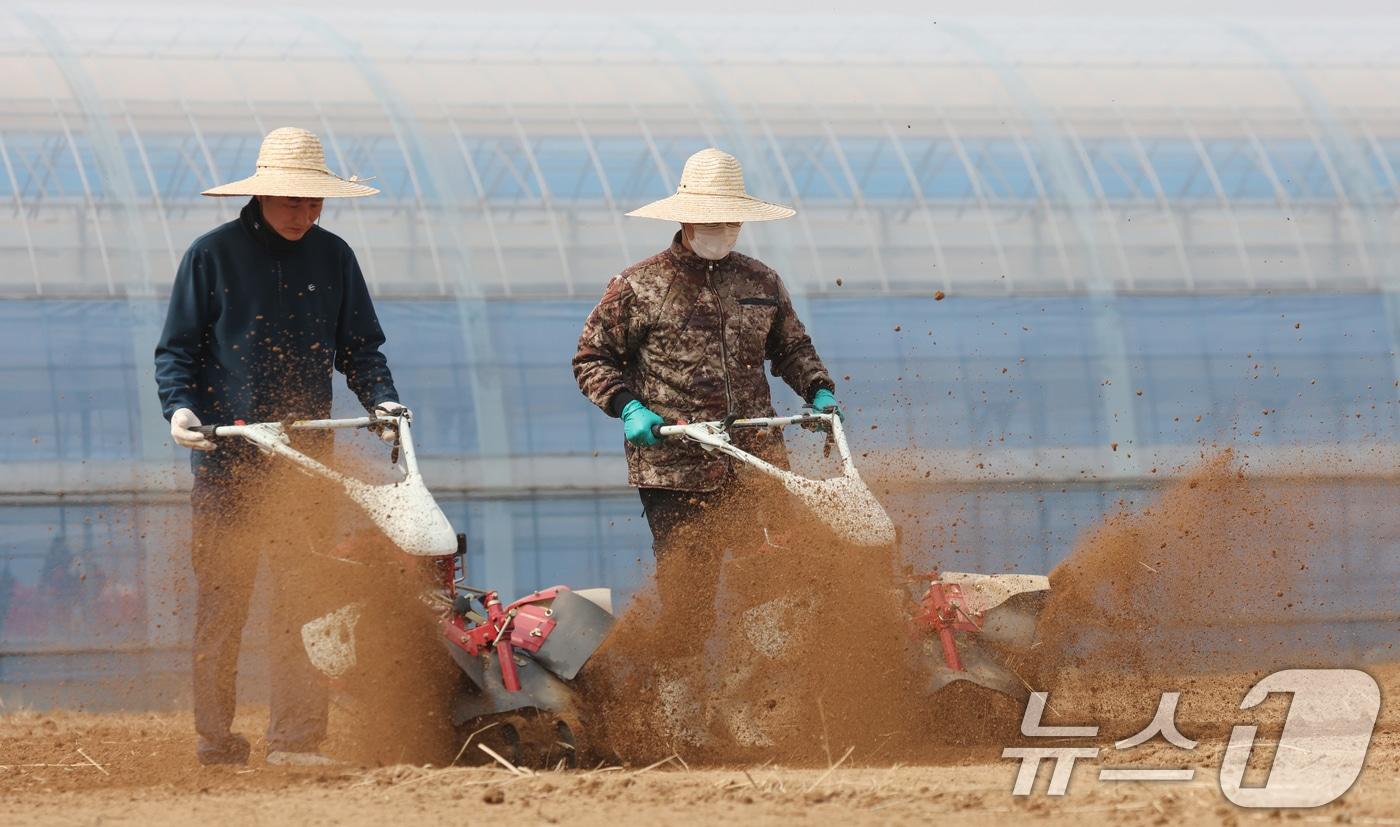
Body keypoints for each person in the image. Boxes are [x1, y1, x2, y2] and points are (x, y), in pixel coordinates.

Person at [155, 127, 404, 767]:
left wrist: (381, 400)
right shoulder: (211, 256)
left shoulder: (334, 257)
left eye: (315, 202)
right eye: (294, 201)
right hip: (228, 460)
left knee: (304, 598)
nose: (305, 214)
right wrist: (179, 407)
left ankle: (295, 741)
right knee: (223, 603)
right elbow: (177, 350)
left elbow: (361, 349)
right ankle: (216, 742)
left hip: (305, 465)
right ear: (264, 194)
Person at [573, 147, 841, 653]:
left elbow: (791, 348)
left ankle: (764, 690)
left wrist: (818, 389)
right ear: (686, 219)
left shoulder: (761, 282)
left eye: (729, 220)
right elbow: (592, 359)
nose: (720, 228)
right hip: (676, 469)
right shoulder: (639, 286)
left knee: (776, 588)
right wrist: (627, 406)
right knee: (689, 603)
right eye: (710, 219)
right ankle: (678, 696)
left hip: (758, 461)